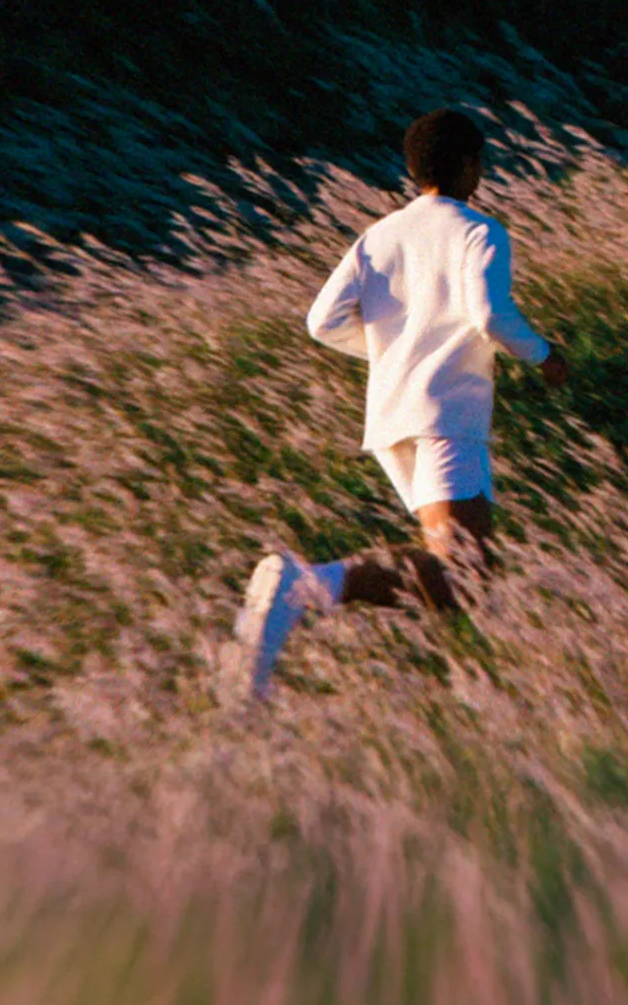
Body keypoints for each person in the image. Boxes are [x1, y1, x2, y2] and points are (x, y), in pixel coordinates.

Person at [221, 107, 569, 702]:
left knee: (463, 579)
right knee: (462, 571)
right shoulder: (478, 230)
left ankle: (447, 687)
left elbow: (319, 322)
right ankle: (303, 585)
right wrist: (545, 355)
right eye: (480, 162)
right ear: (469, 166)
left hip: (390, 419)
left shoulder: (376, 237)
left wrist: (389, 353)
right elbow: (489, 314)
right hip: (446, 417)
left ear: (413, 170)